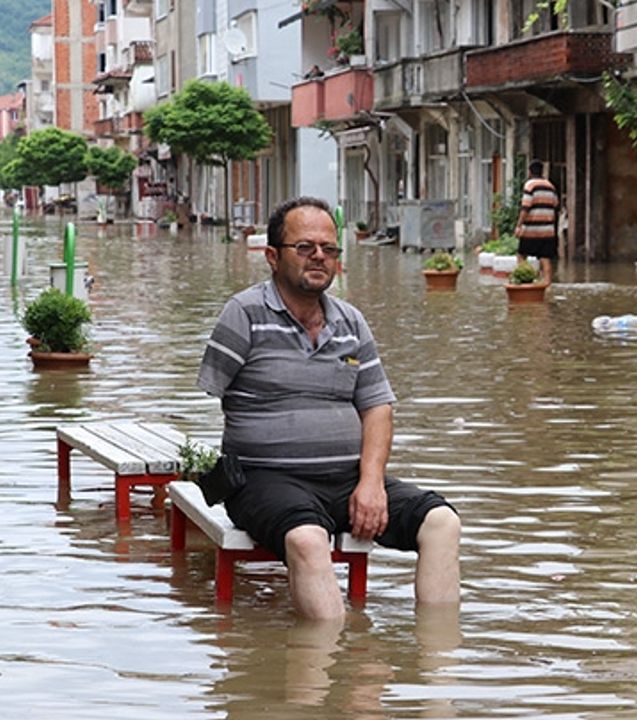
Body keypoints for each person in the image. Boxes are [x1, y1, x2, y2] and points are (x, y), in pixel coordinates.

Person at [197, 196, 461, 620]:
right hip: (266, 482)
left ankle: (437, 663)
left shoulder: (351, 321)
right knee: (306, 537)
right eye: (304, 247)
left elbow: (377, 406)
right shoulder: (243, 315)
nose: (318, 256)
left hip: (347, 481)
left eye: (329, 249)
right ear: (271, 256)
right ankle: (332, 664)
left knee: (442, 523)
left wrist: (371, 482)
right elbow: (216, 392)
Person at [515, 159, 560, 285]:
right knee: (545, 259)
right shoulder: (551, 186)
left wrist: (519, 226)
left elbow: (525, 208)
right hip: (547, 231)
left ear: (530, 172)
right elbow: (555, 205)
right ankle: (547, 285)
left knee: (521, 255)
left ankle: (524, 281)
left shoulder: (530, 185)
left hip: (531, 230)